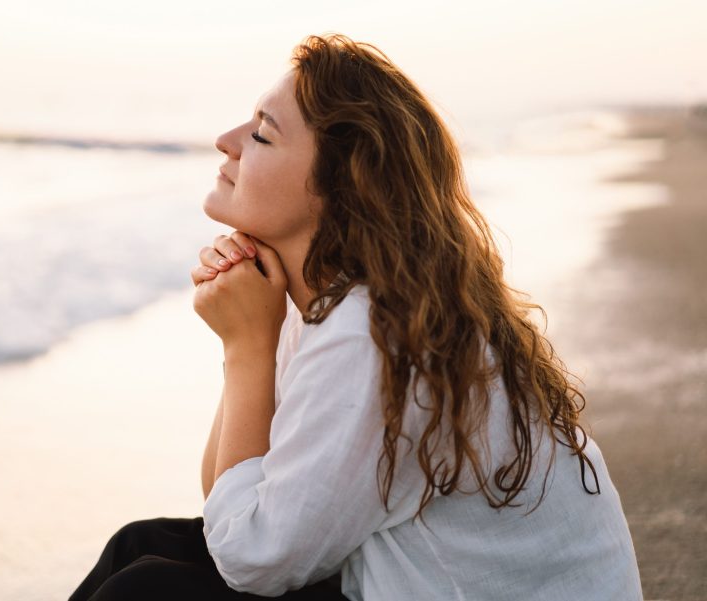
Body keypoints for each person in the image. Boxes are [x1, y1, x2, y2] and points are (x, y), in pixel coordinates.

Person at [69, 33, 643, 600]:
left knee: (146, 590)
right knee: (138, 545)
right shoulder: (340, 299)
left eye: (263, 135)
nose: (226, 141)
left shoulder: (375, 331)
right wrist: (254, 338)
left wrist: (244, 349)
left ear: (341, 187)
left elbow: (252, 556)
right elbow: (230, 507)